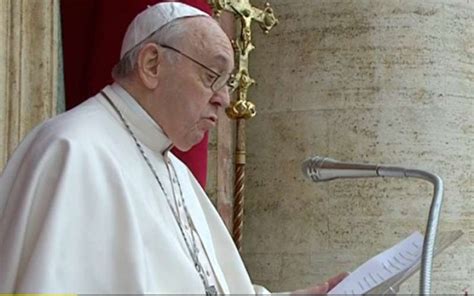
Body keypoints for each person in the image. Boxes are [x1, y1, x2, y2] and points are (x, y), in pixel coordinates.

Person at [0, 2, 346, 294]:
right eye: (212, 75)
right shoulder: (73, 151)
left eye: (227, 83)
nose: (223, 99)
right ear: (152, 65)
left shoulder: (175, 170)